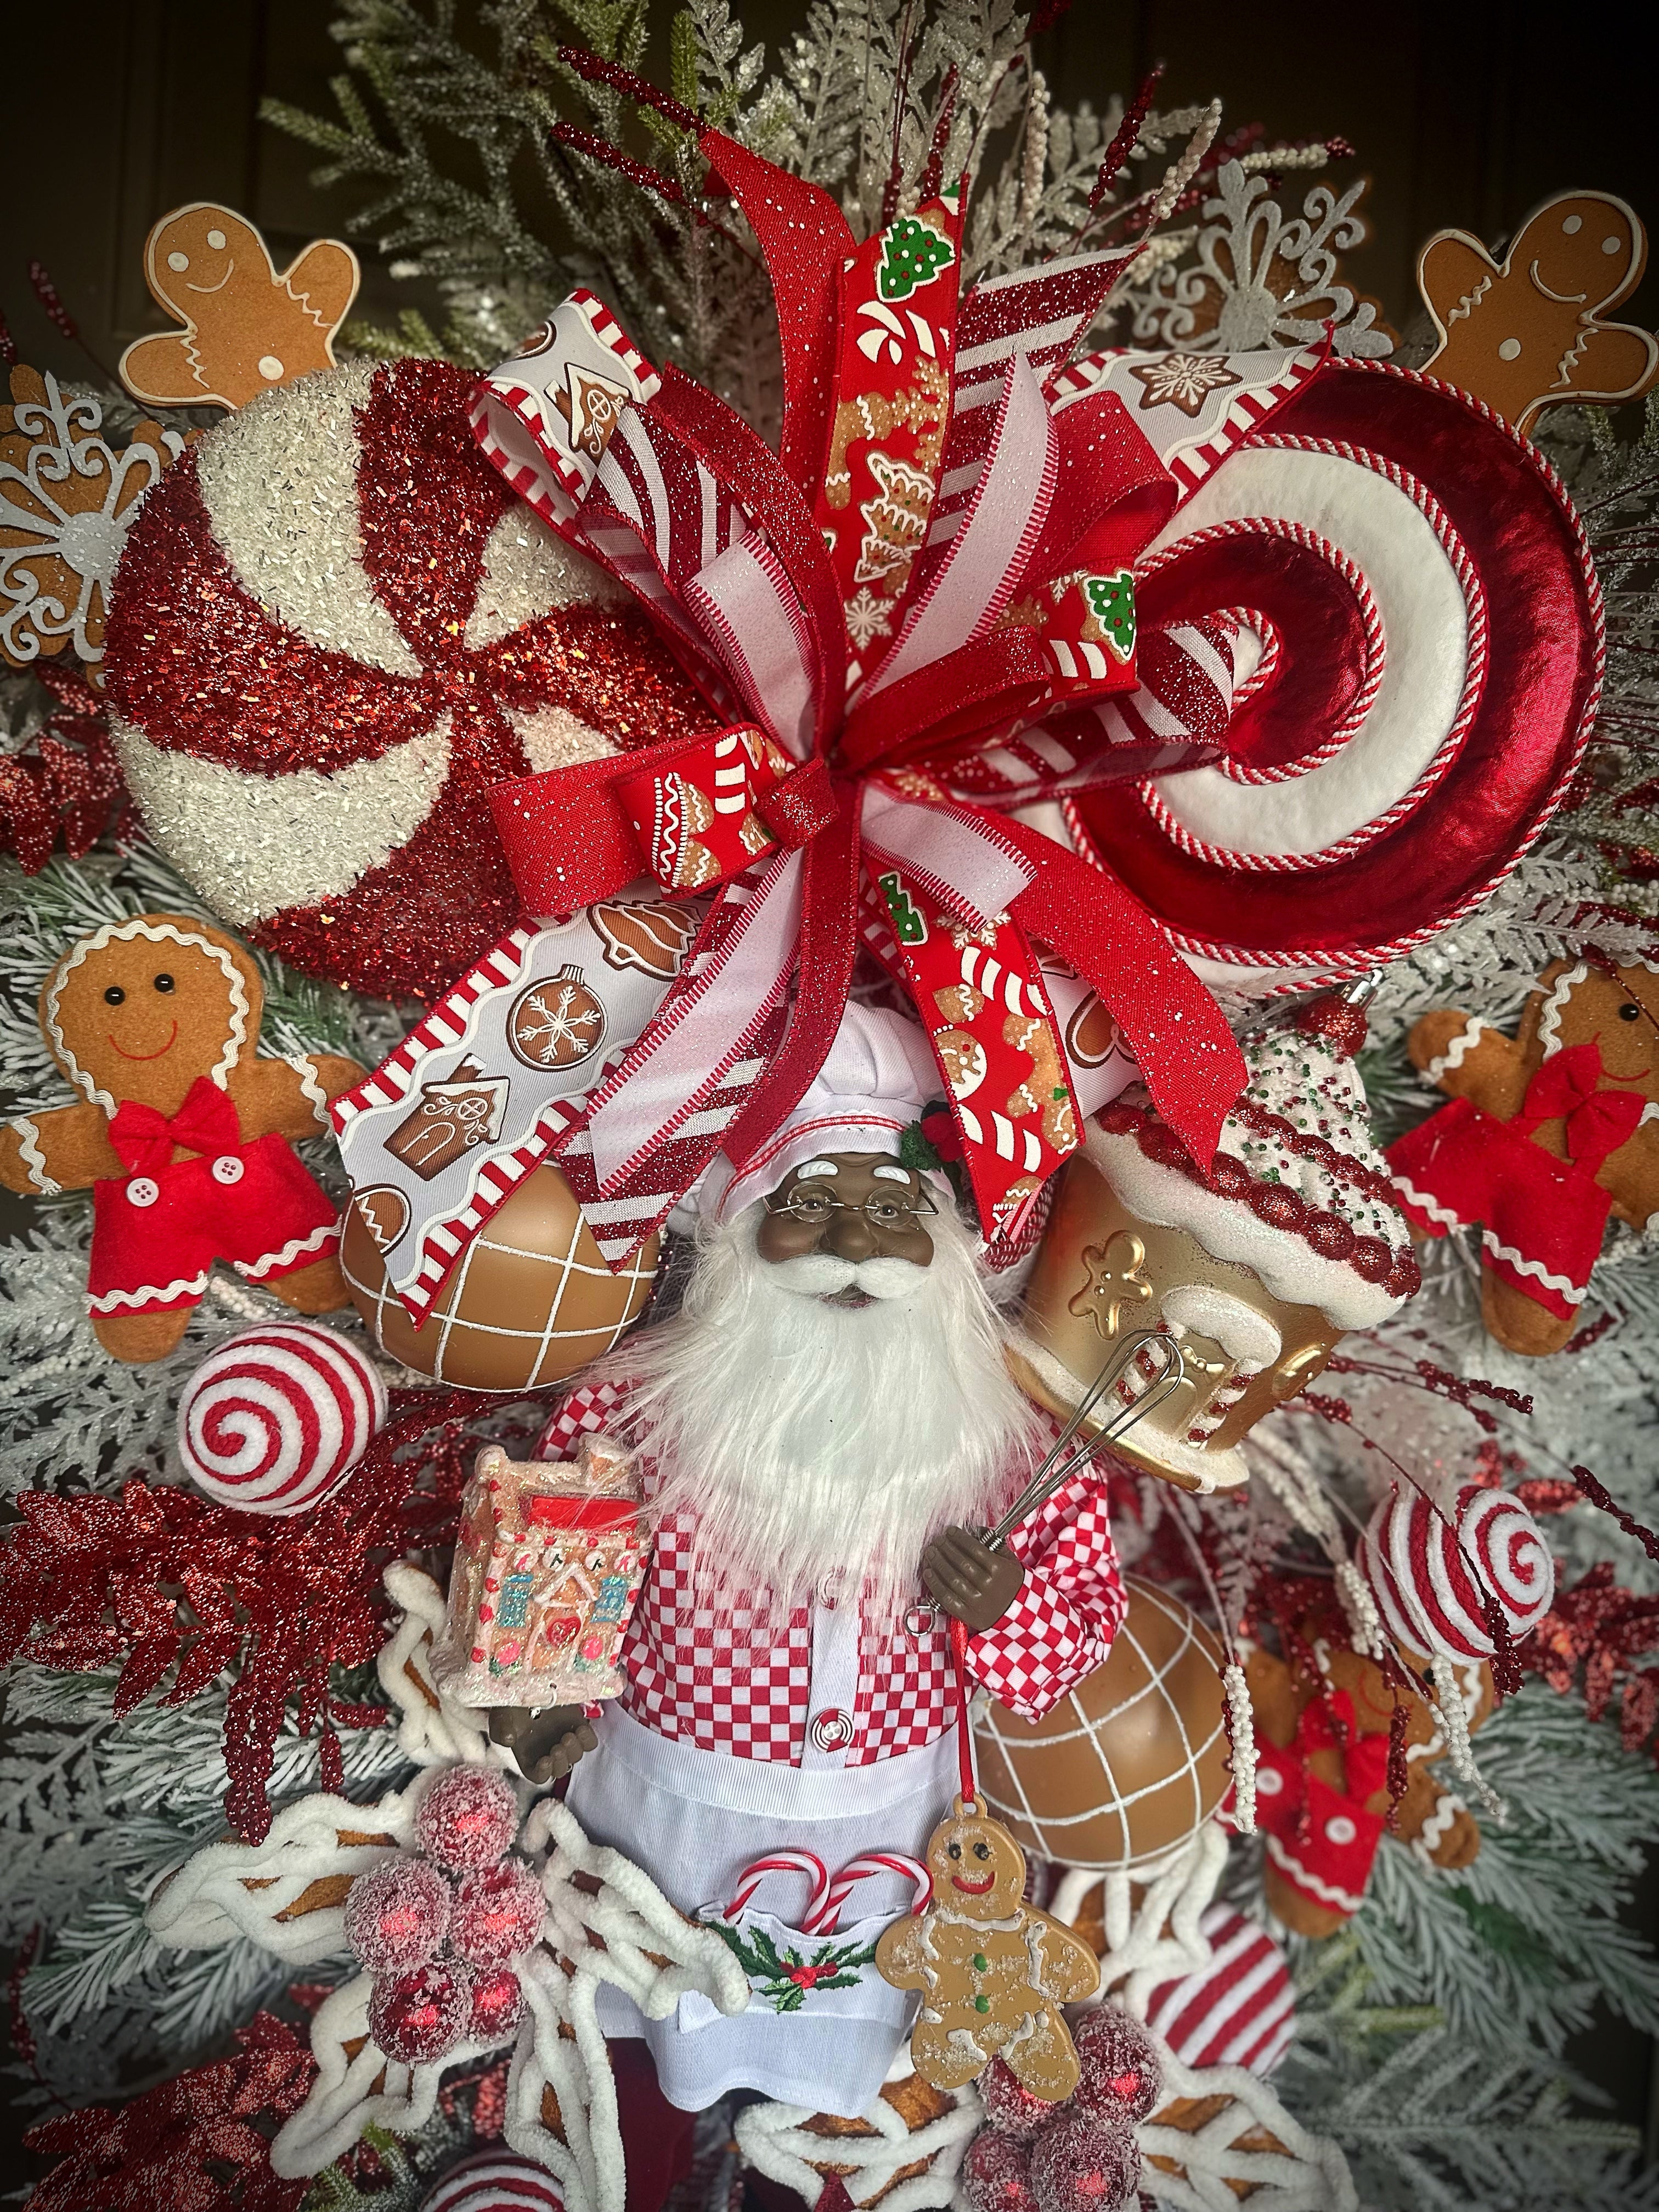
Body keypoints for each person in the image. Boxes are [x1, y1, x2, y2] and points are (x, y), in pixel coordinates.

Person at [490, 1004, 1127, 2205]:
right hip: (660, 1823)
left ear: (943, 1255)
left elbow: (1072, 1636)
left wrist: (1002, 1607)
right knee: (636, 2059)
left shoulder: (1007, 1443)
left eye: (894, 1214)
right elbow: (554, 1551)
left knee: (838, 2100)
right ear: (736, 1242)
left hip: (885, 1833)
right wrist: (536, 1702)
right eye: (811, 1207)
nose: (854, 1245)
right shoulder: (635, 1413)